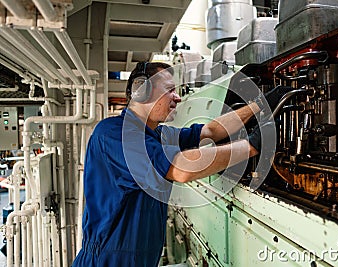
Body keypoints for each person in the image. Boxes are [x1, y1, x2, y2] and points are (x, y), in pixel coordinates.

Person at [72, 62, 268, 266]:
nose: (178, 97)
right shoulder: (114, 134)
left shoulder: (157, 135)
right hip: (107, 261)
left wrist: (259, 106)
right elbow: (180, 169)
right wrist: (251, 145)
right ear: (142, 92)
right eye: (170, 90)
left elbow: (210, 131)